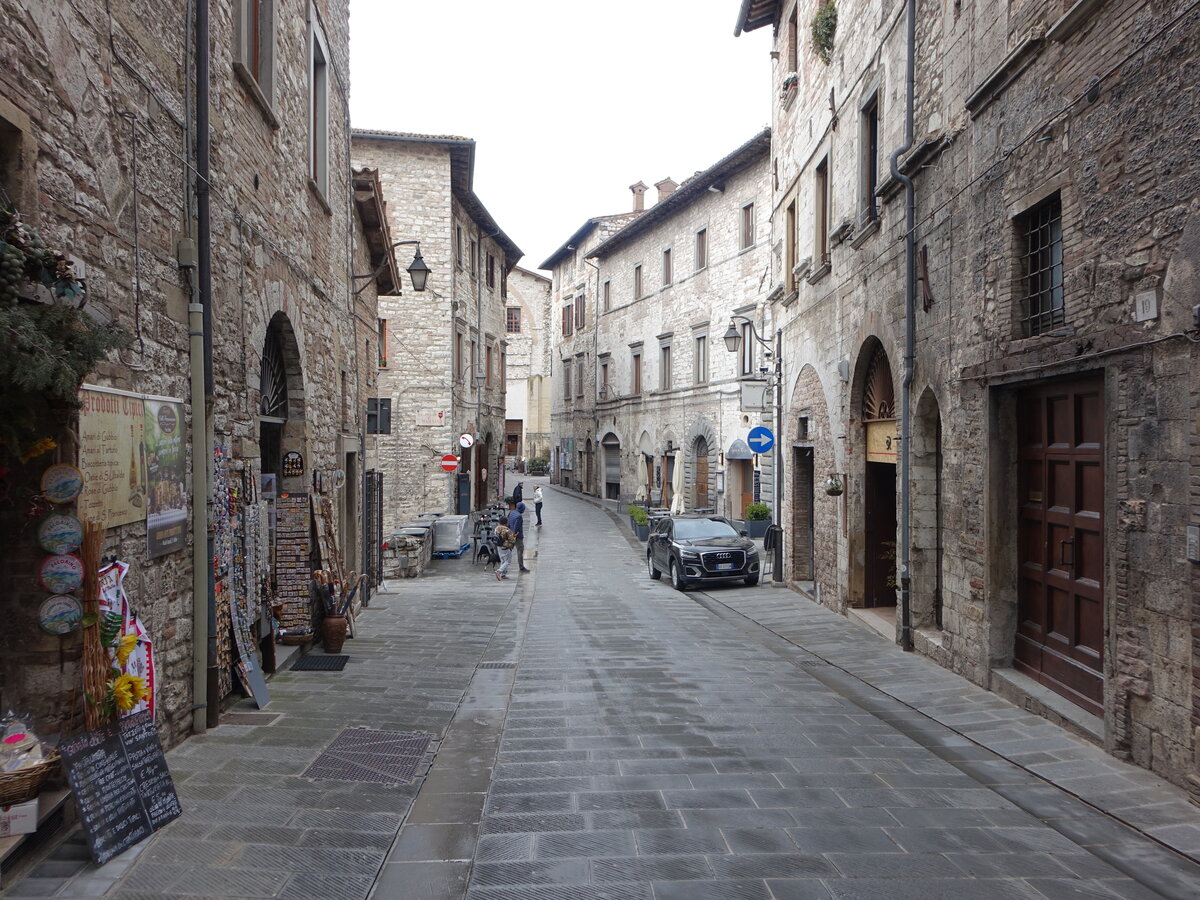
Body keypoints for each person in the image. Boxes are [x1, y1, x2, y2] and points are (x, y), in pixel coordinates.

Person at [510, 500, 530, 573]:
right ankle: (521, 566)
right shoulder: (519, 516)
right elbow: (516, 527)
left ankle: (504, 563)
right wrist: (515, 533)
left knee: (509, 550)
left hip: (510, 534)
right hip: (517, 536)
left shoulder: (512, 513)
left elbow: (509, 523)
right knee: (520, 551)